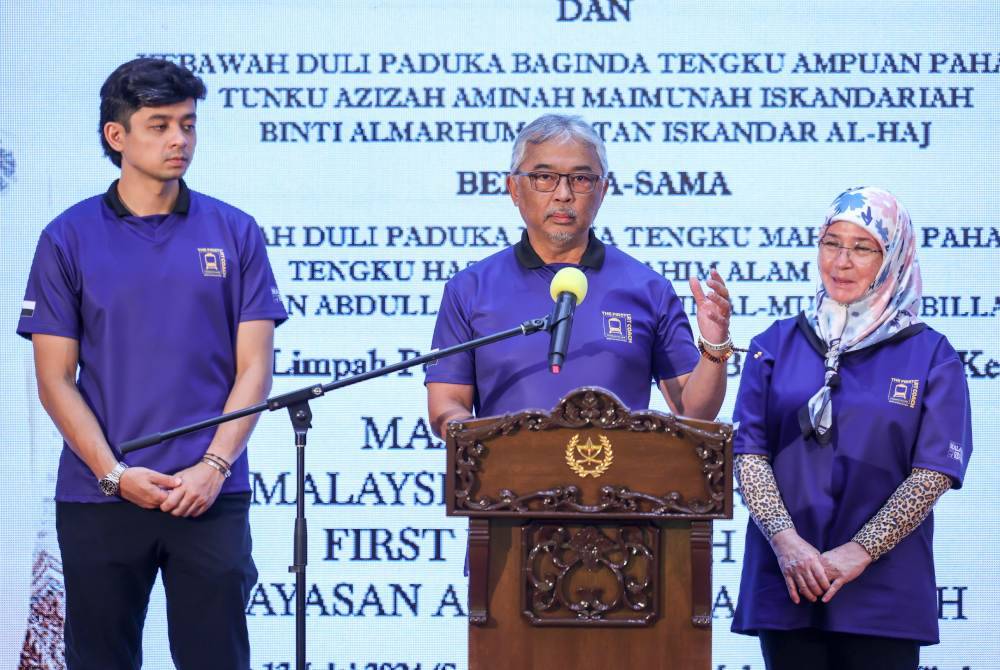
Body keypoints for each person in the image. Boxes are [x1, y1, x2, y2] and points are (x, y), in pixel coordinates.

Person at [16, 57, 287, 669]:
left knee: (216, 658)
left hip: (209, 494)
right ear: (118, 136)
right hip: (101, 495)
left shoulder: (235, 231)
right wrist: (115, 474)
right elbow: (54, 379)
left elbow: (255, 369)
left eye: (188, 125)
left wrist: (214, 467)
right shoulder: (68, 237)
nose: (179, 140)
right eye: (160, 125)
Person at [731, 186, 972, 669]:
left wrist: (858, 552)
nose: (841, 261)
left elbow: (933, 473)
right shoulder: (775, 343)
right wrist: (786, 541)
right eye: (831, 243)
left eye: (862, 248)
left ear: (894, 257)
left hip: (882, 588)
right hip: (789, 581)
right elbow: (748, 452)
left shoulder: (930, 355)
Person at [426, 113, 732, 435]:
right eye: (544, 177)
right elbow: (446, 405)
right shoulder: (470, 289)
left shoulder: (648, 289)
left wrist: (714, 346)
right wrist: (498, 447)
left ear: (602, 191)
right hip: (507, 481)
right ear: (514, 188)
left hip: (621, 481)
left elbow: (695, 411)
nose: (563, 194)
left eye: (581, 179)